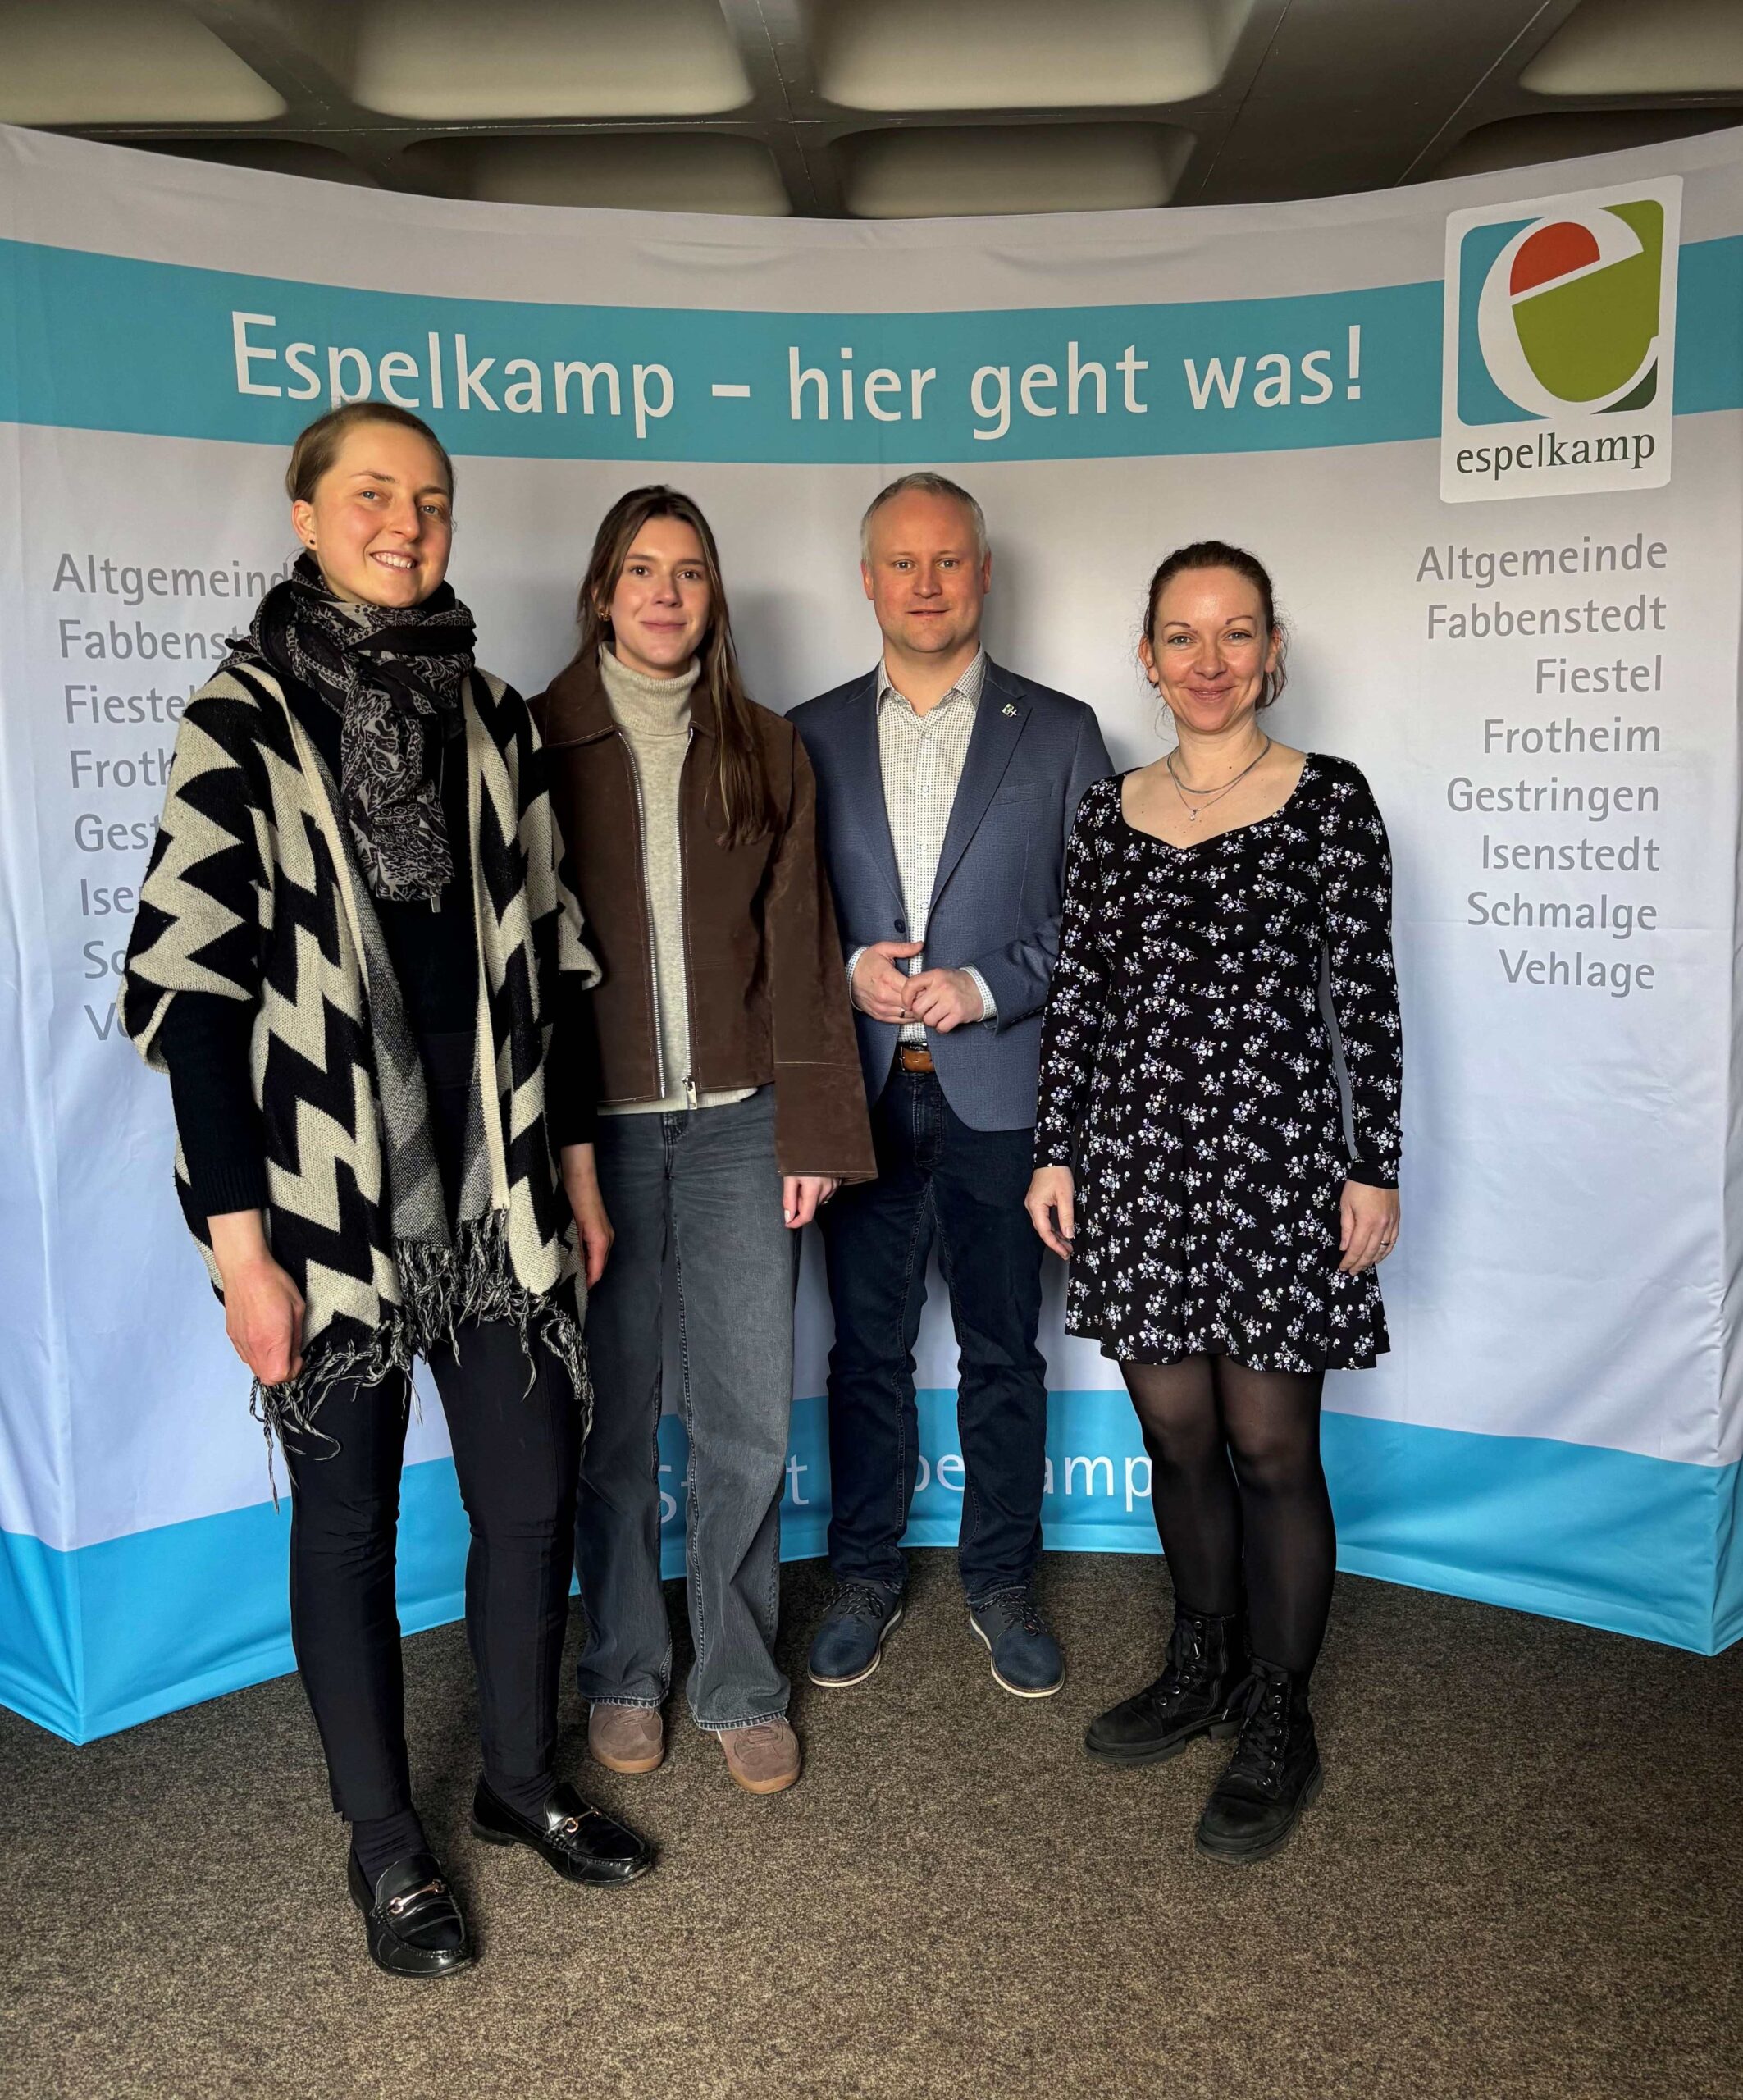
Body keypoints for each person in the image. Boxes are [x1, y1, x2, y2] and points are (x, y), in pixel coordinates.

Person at [121, 404, 653, 1982]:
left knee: (531, 1498)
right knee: (348, 1527)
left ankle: (515, 1783)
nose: (405, 523)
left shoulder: (492, 715)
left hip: (496, 1191)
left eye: (429, 499)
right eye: (371, 495)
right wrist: (241, 1255)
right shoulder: (240, 717)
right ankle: (384, 1845)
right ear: (305, 515)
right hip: (319, 1208)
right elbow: (193, 1001)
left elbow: (552, 962)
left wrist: (572, 1169)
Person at [1026, 540, 1402, 1864]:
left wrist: (1374, 1165)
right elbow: (1080, 994)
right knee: (1175, 1435)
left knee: (1269, 1449)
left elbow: (1365, 999)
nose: (1208, 660)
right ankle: (1203, 1662)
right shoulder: (1105, 812)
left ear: (1271, 650)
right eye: (1181, 636)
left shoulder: (1328, 801)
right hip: (1135, 1164)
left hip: (1277, 1166)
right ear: (1146, 656)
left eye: (1234, 633)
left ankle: (1279, 1714)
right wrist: (1055, 1150)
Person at [530, 486, 874, 1798]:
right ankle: (624, 1668)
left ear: (712, 596)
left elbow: (802, 949)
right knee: (612, 1423)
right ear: (601, 591)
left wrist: (812, 1131)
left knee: (743, 1424)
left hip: (740, 1129)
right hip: (596, 1142)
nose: (664, 594)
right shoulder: (534, 738)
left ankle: (738, 1681)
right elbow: (518, 965)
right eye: (640, 570)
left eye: (686, 572)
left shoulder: (764, 746)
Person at [790, 472, 1112, 1699]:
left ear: (982, 574)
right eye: (902, 563)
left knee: (1003, 1354)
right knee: (864, 1353)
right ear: (867, 580)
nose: (925, 584)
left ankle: (1002, 1581)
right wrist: (844, 970)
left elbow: (1102, 923)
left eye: (948, 561)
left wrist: (983, 986)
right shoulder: (805, 734)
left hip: (1002, 1099)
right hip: (861, 1097)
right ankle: (862, 1577)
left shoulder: (1062, 731)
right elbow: (771, 921)